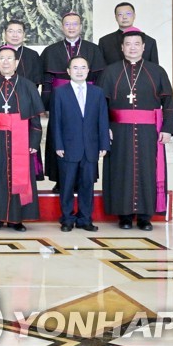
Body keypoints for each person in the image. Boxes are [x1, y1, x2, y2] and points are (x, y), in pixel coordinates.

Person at [98, 30, 173, 230]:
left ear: (143, 47)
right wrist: (104, 127)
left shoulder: (157, 71)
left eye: (136, 44)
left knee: (147, 170)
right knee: (120, 170)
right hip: (118, 131)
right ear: (122, 48)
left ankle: (144, 216)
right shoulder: (110, 71)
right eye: (128, 44)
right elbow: (100, 104)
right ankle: (123, 215)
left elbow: (168, 101)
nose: (132, 47)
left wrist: (167, 128)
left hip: (148, 132)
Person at [0, 46, 44, 232]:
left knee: (20, 178)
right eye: (2, 58)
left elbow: (35, 119)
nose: (5, 62)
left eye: (9, 58)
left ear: (16, 62)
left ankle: (17, 219)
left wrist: (34, 142)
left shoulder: (27, 85)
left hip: (22, 138)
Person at [40, 12, 107, 192]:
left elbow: (100, 79)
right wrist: (46, 105)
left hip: (88, 100)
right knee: (59, 137)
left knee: (87, 138)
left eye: (75, 24)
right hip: (59, 102)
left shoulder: (92, 49)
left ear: (81, 26)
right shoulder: (51, 50)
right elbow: (47, 81)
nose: (71, 27)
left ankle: (85, 180)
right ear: (62, 27)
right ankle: (60, 180)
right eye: (67, 24)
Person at [50, 55, 110, 232]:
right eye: (75, 68)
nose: (79, 71)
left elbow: (102, 120)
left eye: (83, 67)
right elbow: (56, 122)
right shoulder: (59, 92)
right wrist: (58, 145)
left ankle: (85, 218)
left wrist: (104, 144)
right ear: (68, 72)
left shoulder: (97, 93)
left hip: (91, 148)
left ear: (88, 71)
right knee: (67, 185)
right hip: (68, 147)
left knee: (87, 185)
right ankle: (67, 218)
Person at [0, 19, 43, 86]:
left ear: (24, 34)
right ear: (4, 33)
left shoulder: (32, 55)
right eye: (11, 31)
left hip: (25, 95)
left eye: (19, 32)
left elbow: (36, 81)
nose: (15, 35)